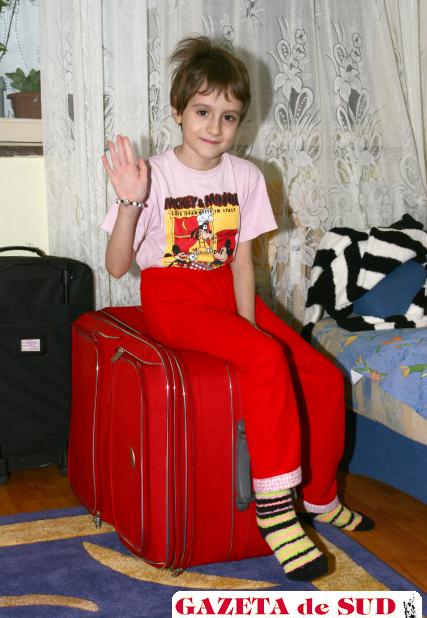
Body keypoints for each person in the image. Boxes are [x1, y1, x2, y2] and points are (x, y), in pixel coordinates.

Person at [101, 36, 374, 582]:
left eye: (228, 116)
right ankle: (276, 511)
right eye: (202, 111)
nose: (214, 126)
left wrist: (248, 329)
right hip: (172, 293)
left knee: (321, 377)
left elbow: (243, 262)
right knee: (266, 359)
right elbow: (115, 266)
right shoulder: (154, 175)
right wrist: (130, 202)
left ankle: (319, 497)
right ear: (178, 111)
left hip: (226, 291)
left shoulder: (246, 176)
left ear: (241, 121)